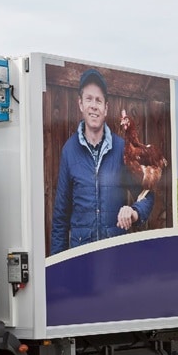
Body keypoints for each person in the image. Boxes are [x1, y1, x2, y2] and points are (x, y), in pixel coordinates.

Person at [50, 68, 154, 255]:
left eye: (99, 100)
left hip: (114, 257)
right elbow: (60, 218)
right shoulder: (69, 151)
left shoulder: (122, 149)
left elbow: (147, 195)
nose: (94, 105)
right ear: (80, 104)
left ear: (106, 108)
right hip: (81, 258)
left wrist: (134, 211)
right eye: (89, 99)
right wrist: (58, 271)